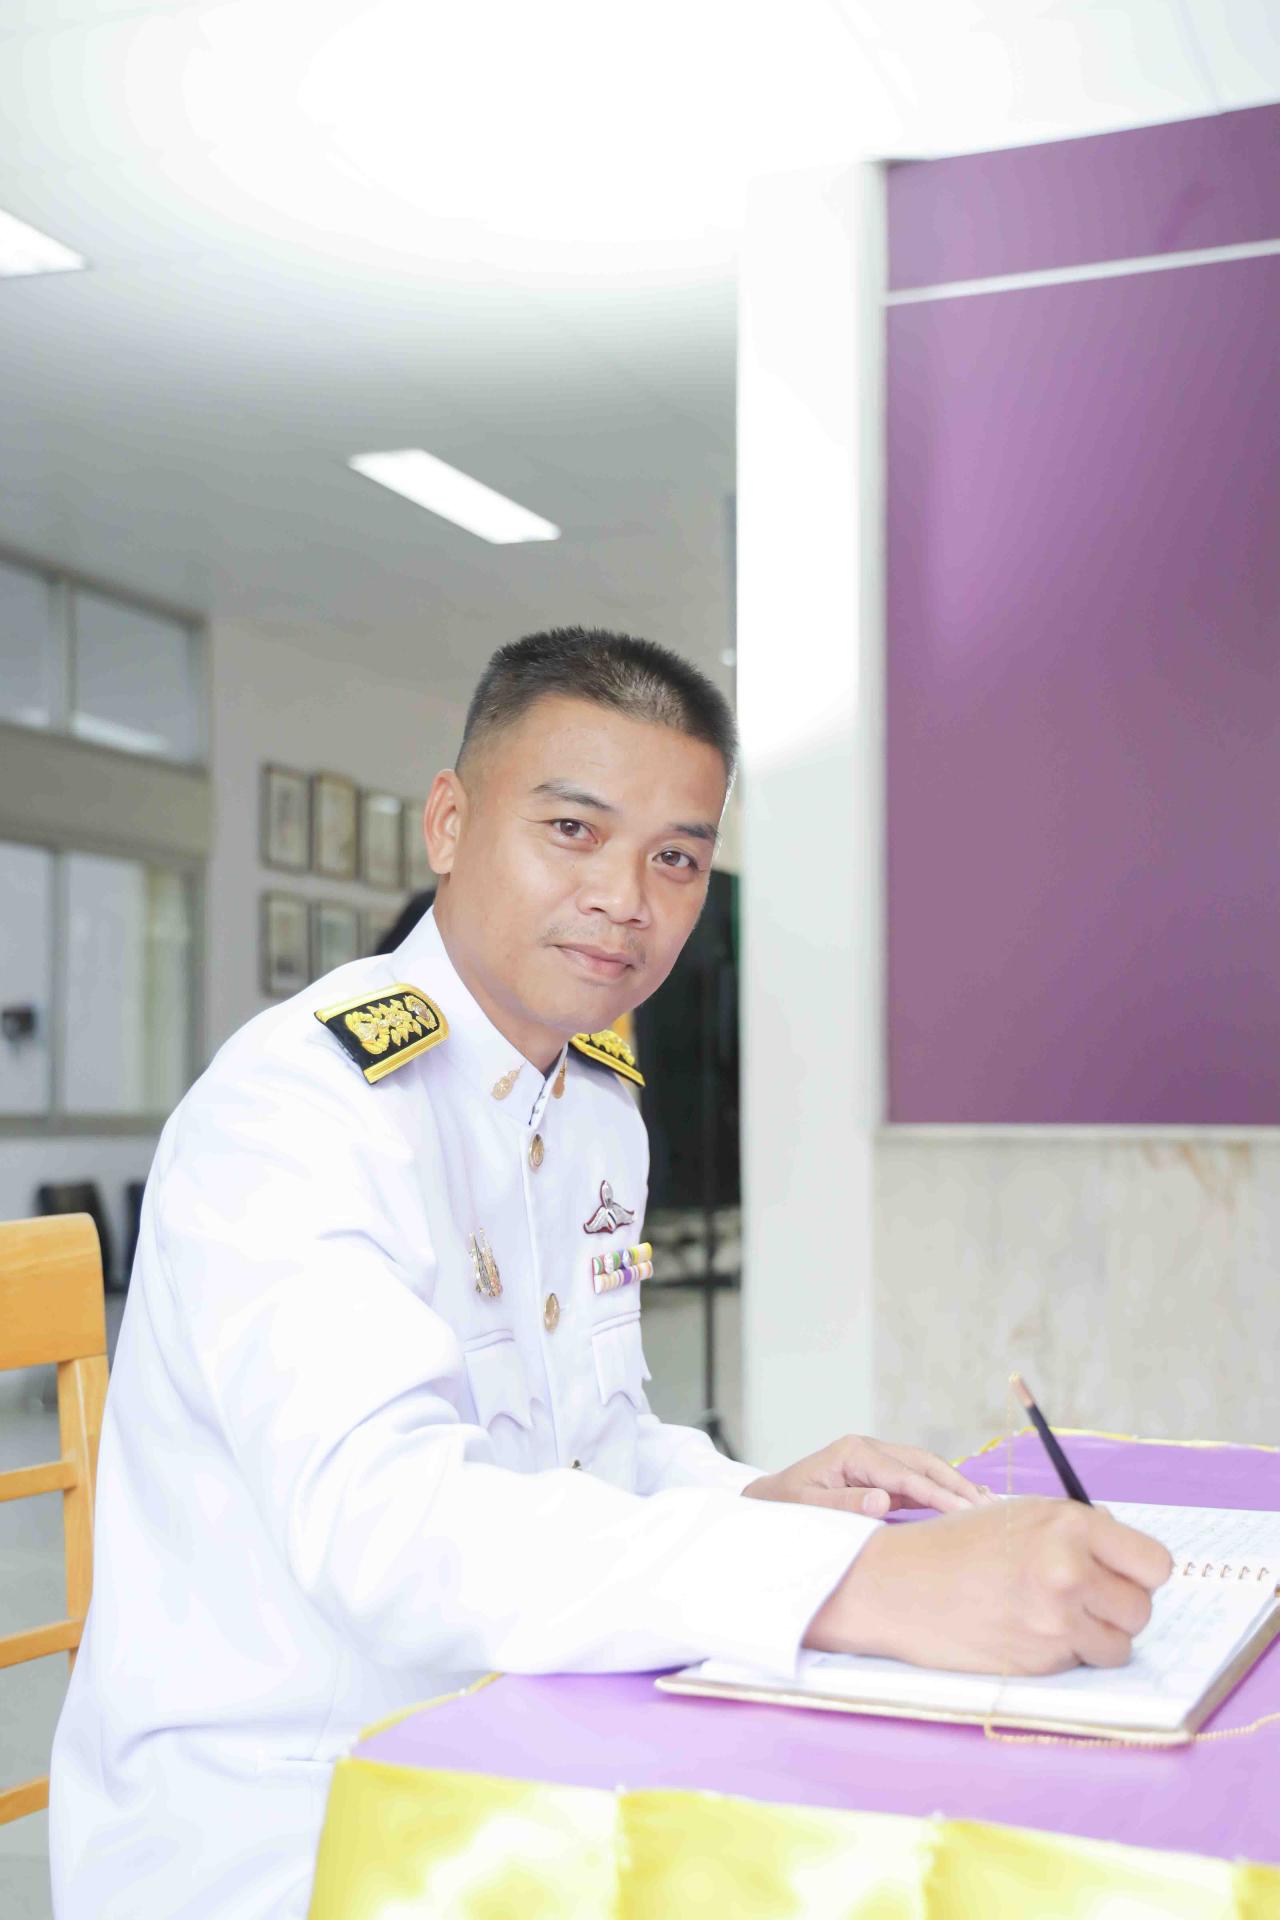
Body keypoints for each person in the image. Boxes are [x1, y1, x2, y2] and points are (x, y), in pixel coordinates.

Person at [49, 629, 1172, 1919]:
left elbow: (595, 1442)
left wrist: (763, 1499)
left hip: (515, 1747)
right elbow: (391, 1532)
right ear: (450, 823)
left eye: (676, 858)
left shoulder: (591, 1104)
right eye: (574, 831)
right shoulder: (298, 1110)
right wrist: (856, 1587)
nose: (627, 898)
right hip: (292, 1821)